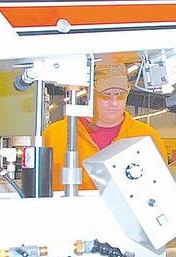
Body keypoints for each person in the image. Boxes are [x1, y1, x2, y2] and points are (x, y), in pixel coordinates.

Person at [44, 62, 168, 191]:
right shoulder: (54, 134)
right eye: (106, 95)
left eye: (120, 95)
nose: (114, 103)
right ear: (88, 91)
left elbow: (161, 188)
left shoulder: (146, 136)